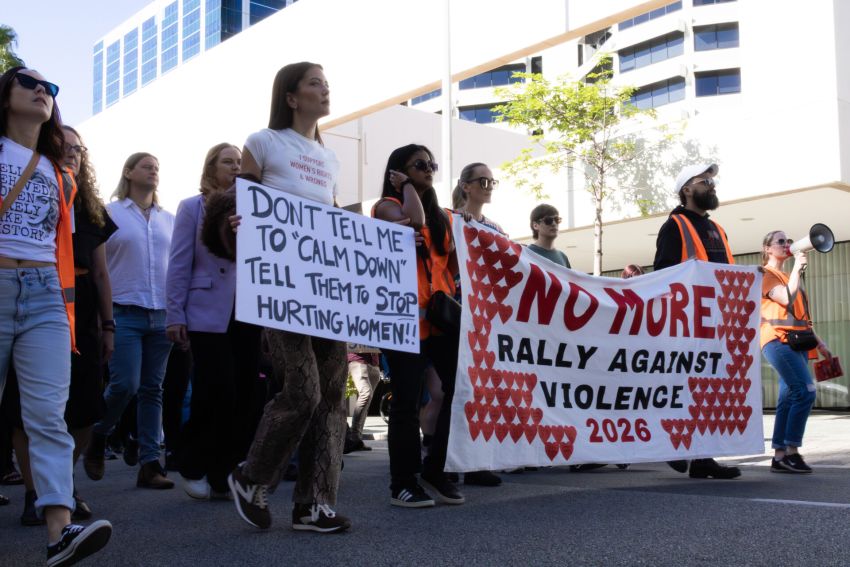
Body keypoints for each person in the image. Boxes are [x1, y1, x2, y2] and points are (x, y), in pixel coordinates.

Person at [226, 62, 351, 534]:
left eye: (327, 82)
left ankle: (314, 504)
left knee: (332, 397)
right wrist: (236, 224)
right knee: (304, 390)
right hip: (280, 287)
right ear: (292, 97)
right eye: (316, 82)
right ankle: (251, 476)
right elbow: (243, 203)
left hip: (326, 288)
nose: (325, 88)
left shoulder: (330, 158)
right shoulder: (262, 142)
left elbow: (334, 219)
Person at [0, 65, 112, 566]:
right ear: (5, 97)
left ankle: (59, 531)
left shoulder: (59, 172)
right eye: (30, 83)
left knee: (49, 416)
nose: (43, 91)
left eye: (50, 88)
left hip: (46, 294)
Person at [167, 143, 261, 499]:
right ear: (211, 167)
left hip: (248, 313)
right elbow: (179, 262)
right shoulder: (194, 207)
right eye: (228, 162)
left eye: (240, 163)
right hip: (206, 311)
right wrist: (174, 314)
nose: (236, 167)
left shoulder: (255, 209)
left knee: (245, 394)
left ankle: (224, 473)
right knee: (215, 390)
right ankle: (191, 462)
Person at [373, 144, 465, 508]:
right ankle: (403, 482)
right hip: (404, 322)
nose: (429, 170)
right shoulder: (386, 207)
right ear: (398, 171)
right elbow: (413, 221)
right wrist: (406, 188)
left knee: (461, 392)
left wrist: (441, 292)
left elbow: (455, 262)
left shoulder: (444, 215)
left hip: (440, 322)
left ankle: (435, 468)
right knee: (407, 403)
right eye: (420, 165)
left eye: (432, 165)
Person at [84, 152, 176, 489]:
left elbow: (177, 268)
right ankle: (99, 433)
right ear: (128, 172)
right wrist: (99, 316)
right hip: (123, 310)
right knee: (125, 385)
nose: (153, 170)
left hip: (162, 312)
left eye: (157, 166)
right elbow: (97, 267)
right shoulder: (109, 214)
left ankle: (150, 463)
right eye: (146, 165)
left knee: (154, 389)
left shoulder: (170, 219)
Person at [653, 162, 740, 480]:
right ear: (686, 190)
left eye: (712, 181)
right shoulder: (675, 225)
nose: (712, 185)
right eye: (705, 181)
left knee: (706, 390)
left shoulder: (717, 228)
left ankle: (702, 458)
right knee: (684, 389)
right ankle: (671, 445)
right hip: (686, 323)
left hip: (715, 322)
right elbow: (663, 273)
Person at [760, 230, 831, 473]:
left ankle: (779, 456)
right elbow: (785, 298)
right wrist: (798, 268)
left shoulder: (788, 276)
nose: (787, 244)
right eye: (781, 241)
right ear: (767, 248)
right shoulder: (765, 274)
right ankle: (792, 450)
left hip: (797, 342)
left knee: (788, 398)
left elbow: (800, 317)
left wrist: (819, 343)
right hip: (777, 340)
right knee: (806, 391)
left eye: (788, 241)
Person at [344, 344, 381, 453]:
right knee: (366, 393)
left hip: (374, 362)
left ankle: (356, 438)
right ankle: (353, 436)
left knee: (367, 399)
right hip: (358, 360)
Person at [527, 204, 571, 268]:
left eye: (557, 220)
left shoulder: (563, 257)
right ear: (535, 225)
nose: (554, 223)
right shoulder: (527, 254)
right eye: (548, 220)